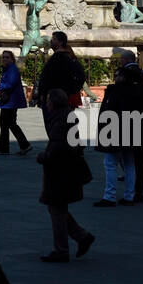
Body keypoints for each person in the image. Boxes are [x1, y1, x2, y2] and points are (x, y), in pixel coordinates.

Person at [37, 88, 94, 261]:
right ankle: (82, 236)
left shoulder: (60, 121)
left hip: (60, 171)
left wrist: (43, 157)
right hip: (66, 169)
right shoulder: (66, 116)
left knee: (56, 208)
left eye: (48, 101)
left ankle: (62, 250)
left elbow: (56, 147)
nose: (46, 103)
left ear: (53, 103)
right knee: (57, 208)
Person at [95, 52, 143, 206]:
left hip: (118, 128)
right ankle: (132, 194)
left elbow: (110, 110)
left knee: (111, 162)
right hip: (138, 127)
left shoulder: (119, 89)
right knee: (133, 162)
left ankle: (110, 196)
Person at [36, 31, 86, 130]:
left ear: (60, 42)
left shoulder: (62, 58)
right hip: (54, 97)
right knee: (59, 125)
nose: (51, 41)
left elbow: (80, 76)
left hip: (54, 98)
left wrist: (67, 91)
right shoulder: (62, 57)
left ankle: (60, 144)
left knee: (55, 126)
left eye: (54, 39)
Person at [0, 49, 31, 156]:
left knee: (6, 124)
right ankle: (24, 145)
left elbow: (10, 84)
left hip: (11, 101)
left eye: (7, 57)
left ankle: (4, 149)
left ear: (12, 59)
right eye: (3, 57)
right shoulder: (8, 69)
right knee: (10, 124)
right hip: (9, 101)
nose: (5, 59)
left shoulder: (12, 70)